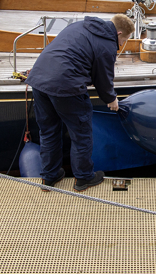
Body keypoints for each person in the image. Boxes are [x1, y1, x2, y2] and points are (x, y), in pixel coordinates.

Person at [25, 14, 135, 192]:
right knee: (81, 134)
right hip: (66, 86)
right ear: (119, 32)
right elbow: (104, 79)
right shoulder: (108, 44)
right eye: (124, 39)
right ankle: (83, 178)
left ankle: (49, 177)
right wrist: (111, 99)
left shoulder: (81, 25)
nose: (122, 44)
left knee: (48, 131)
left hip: (39, 80)